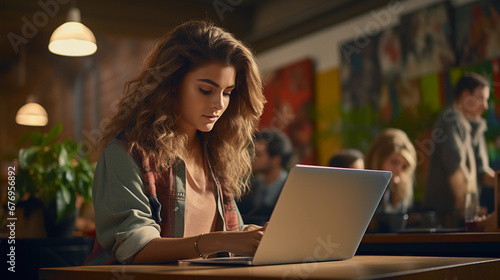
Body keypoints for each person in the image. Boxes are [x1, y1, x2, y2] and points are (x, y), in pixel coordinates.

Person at [83, 20, 267, 265]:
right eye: (205, 89)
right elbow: (134, 248)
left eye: (227, 92)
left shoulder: (216, 152)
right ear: (171, 84)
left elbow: (230, 234)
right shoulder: (126, 153)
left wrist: (254, 236)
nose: (220, 104)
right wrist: (222, 241)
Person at [423, 72, 495, 228]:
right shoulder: (452, 119)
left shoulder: (475, 127)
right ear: (465, 96)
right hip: (444, 219)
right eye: (481, 98)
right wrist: (467, 209)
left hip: (463, 215)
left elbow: (483, 173)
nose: (485, 106)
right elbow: (455, 168)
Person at [365, 128, 417, 233]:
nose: (399, 171)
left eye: (404, 166)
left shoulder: (402, 184)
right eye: (394, 162)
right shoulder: (362, 188)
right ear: (378, 160)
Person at [237, 128, 293, 226]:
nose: (252, 158)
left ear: (276, 160)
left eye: (258, 154)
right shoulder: (251, 188)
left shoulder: (292, 189)